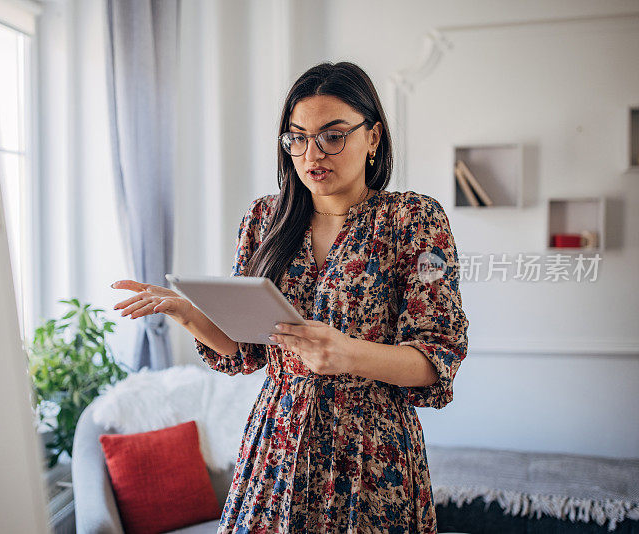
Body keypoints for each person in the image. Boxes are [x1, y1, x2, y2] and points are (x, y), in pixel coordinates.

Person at [112, 61, 469, 533]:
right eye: (297, 138)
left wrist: (348, 354)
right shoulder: (265, 220)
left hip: (371, 451)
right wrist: (186, 312)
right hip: (276, 444)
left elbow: (436, 359)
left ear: (374, 137)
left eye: (332, 135)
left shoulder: (413, 219)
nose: (311, 154)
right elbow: (246, 350)